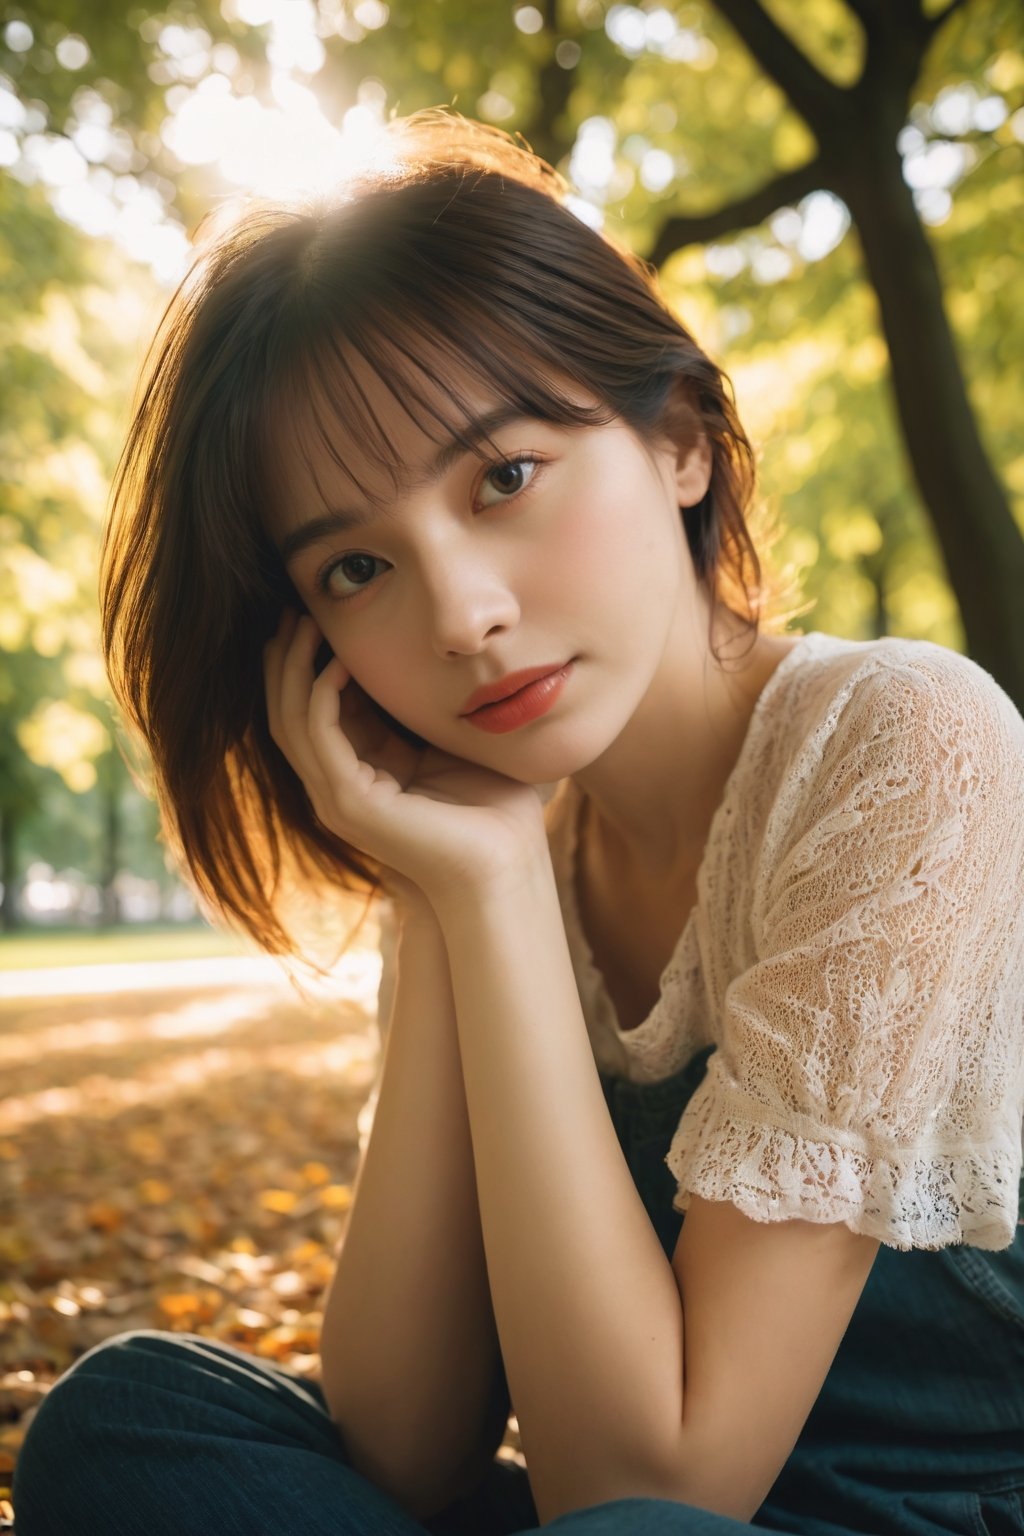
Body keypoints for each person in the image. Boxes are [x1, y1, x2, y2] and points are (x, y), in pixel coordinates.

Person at [13, 109, 1024, 1536]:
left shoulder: (904, 743)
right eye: (357, 566)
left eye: (505, 477)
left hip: (899, 1517)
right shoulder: (495, 836)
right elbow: (408, 1446)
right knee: (131, 1424)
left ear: (679, 441)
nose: (463, 618)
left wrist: (484, 898)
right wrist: (463, 892)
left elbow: (652, 1485)